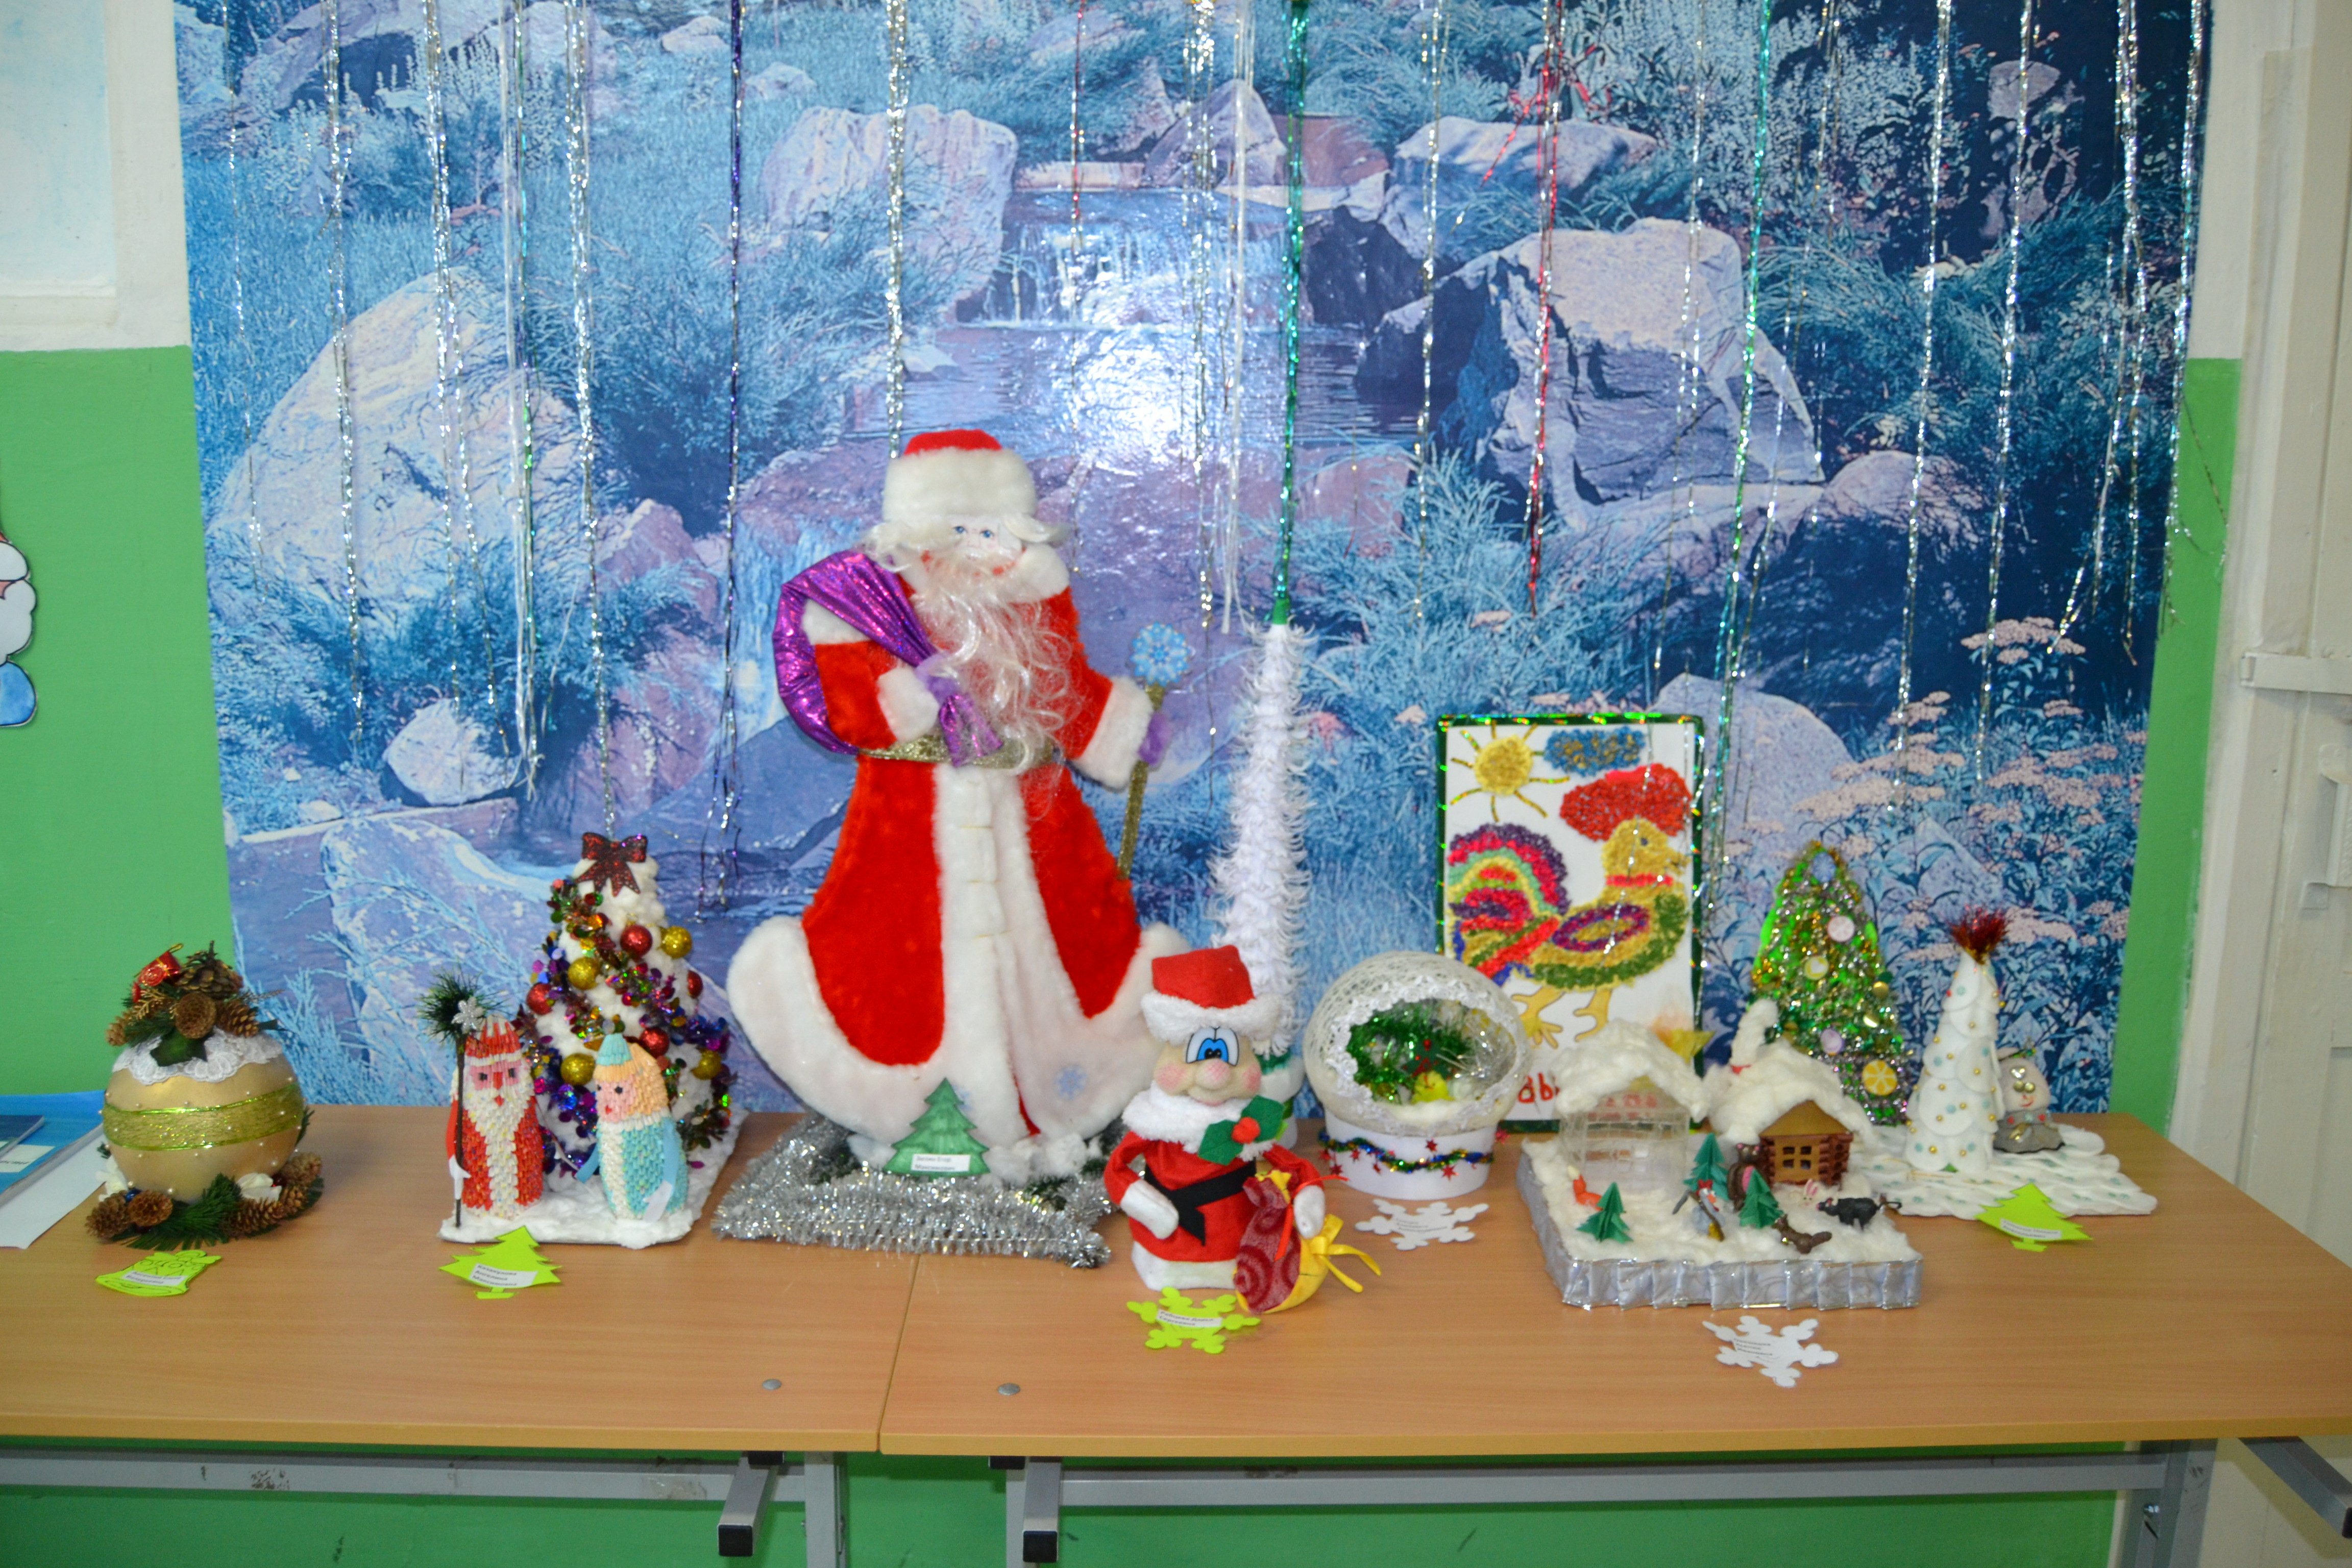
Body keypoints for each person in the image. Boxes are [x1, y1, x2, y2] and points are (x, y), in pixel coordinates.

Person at [730, 429, 1182, 1181]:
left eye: (990, 530)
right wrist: (912, 694)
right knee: (894, 970)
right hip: (909, 824)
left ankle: (1050, 1103)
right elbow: (847, 706)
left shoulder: (1033, 600)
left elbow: (1065, 688)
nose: (975, 547)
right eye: (958, 529)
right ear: (916, 534)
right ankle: (911, 1110)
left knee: (1067, 953)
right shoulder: (867, 605)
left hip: (1034, 819)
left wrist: (1125, 728)